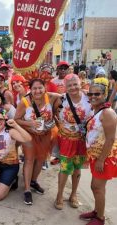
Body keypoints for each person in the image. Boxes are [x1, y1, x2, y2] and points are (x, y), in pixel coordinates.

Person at [15, 76, 61, 205]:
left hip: (46, 134)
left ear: (44, 88)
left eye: (40, 88)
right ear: (30, 89)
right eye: (34, 88)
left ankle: (34, 181)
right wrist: (30, 123)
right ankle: (27, 189)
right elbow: (17, 119)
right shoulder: (24, 102)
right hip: (29, 135)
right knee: (29, 159)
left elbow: (63, 98)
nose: (37, 91)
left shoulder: (51, 97)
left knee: (41, 159)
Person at [79, 82, 117, 225]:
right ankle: (97, 211)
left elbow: (111, 138)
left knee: (97, 187)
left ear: (104, 95)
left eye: (97, 94)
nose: (93, 96)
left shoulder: (108, 113)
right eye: (91, 94)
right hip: (97, 155)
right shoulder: (98, 110)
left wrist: (101, 160)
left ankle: (100, 219)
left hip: (105, 157)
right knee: (95, 186)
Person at [54, 74, 92, 210]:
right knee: (64, 168)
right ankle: (59, 195)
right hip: (66, 139)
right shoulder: (62, 99)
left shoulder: (89, 97)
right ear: (65, 87)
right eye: (69, 85)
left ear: (80, 83)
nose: (73, 87)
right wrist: (60, 126)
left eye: (75, 84)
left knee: (77, 168)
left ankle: (74, 195)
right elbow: (53, 112)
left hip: (82, 139)